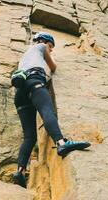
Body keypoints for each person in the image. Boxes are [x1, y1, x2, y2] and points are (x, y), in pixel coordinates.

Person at [12, 32, 90, 188]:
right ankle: (61, 143)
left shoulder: (25, 55)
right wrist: (50, 59)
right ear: (44, 41)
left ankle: (20, 171)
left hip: (20, 94)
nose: (51, 49)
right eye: (51, 46)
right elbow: (53, 66)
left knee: (29, 137)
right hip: (35, 83)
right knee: (47, 111)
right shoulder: (41, 46)